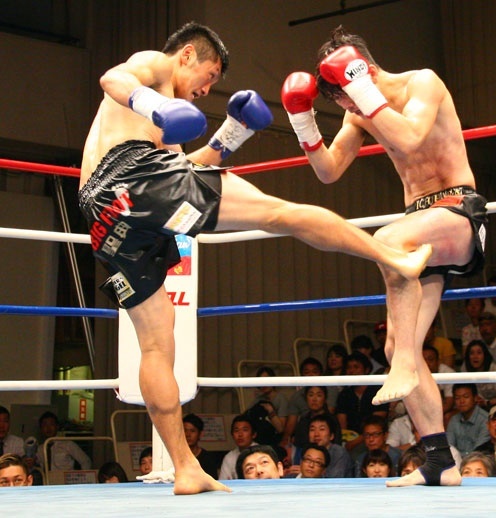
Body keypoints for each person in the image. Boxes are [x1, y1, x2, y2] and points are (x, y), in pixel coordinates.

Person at [79, 20, 429, 497]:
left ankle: (184, 468)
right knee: (280, 213)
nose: (207, 89)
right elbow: (113, 78)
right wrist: (156, 103)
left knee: (158, 343)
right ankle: (393, 257)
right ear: (187, 55)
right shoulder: (156, 64)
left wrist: (234, 132)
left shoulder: (150, 128)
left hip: (105, 214)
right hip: (134, 177)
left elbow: (185, 171)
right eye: (210, 75)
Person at [283, 26, 489, 487]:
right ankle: (440, 461)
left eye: (350, 95)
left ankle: (404, 367)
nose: (353, 109)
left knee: (388, 240)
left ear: (365, 72)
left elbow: (412, 136)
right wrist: (302, 121)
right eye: (345, 102)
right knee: (398, 346)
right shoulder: (358, 112)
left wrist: (360, 89)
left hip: (457, 211)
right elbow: (328, 171)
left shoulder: (423, 82)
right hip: (419, 228)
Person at [281, 357, 338, 446]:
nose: (314, 399)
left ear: (325, 398)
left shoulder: (332, 421)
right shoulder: (303, 422)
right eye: (311, 395)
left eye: (319, 395)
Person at [245, 366, 289, 446]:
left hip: (275, 441)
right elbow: (245, 417)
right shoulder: (258, 399)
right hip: (257, 440)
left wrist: (270, 411)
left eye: (267, 380)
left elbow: (281, 429)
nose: (264, 384)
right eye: (261, 381)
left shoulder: (281, 399)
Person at [460, 340, 496, 410]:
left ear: (485, 355)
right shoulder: (465, 369)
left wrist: (486, 402)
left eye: (479, 353)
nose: (475, 357)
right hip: (476, 407)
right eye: (472, 353)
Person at [446, 383, 490, 457]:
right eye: (457, 398)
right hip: (456, 461)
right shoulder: (454, 420)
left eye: (466, 397)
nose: (461, 401)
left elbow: (479, 452)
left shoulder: (485, 420)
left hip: (478, 460)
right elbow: (449, 448)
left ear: (475, 398)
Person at [422, 345, 455, 425]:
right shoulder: (415, 372)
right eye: (423, 360)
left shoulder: (448, 374)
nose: (427, 363)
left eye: (430, 360)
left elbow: (449, 404)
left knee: (446, 417)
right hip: (426, 409)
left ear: (438, 361)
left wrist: (431, 416)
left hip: (449, 410)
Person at [219, 415, 258, 480]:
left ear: (254, 434)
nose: (240, 434)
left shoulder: (263, 453)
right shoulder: (229, 457)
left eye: (245, 430)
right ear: (232, 435)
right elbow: (223, 481)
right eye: (236, 430)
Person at [183, 413, 220, 479]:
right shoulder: (175, 457)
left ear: (200, 434)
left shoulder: (208, 459)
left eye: (192, 431)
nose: (188, 435)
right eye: (185, 430)